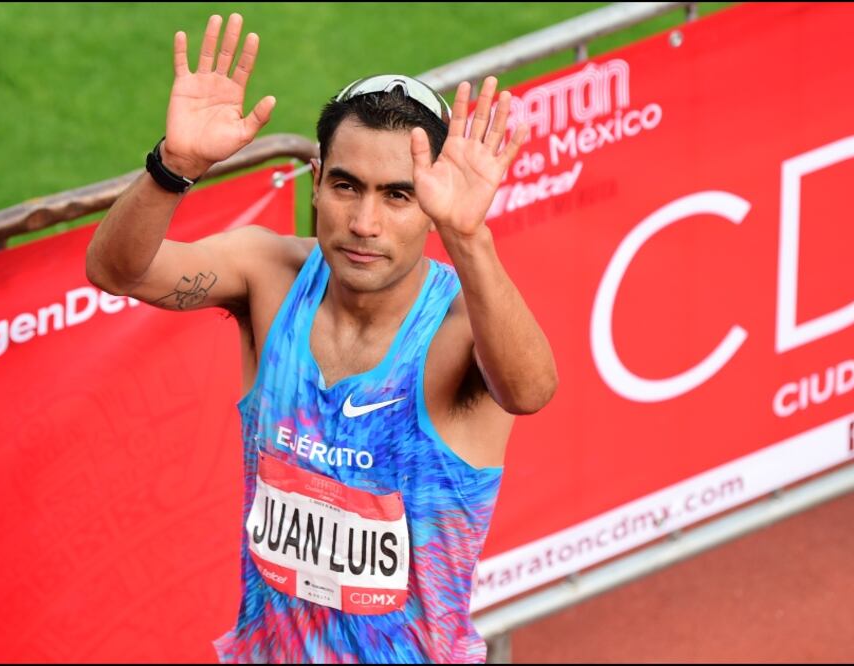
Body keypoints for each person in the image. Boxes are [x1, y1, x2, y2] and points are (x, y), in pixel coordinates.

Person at [86, 13, 557, 664]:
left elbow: (530, 392)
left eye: (397, 195)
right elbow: (116, 272)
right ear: (316, 180)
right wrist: (174, 166)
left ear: (430, 201)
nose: (364, 222)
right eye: (346, 186)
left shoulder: (459, 326)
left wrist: (470, 239)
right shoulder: (267, 276)